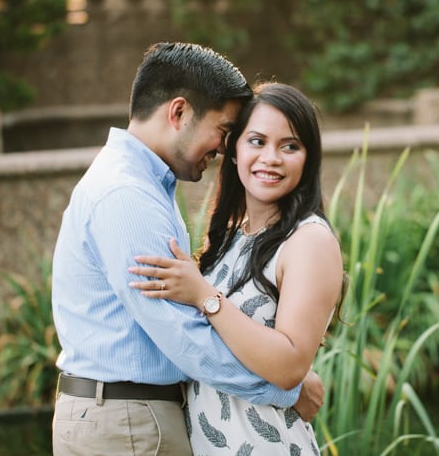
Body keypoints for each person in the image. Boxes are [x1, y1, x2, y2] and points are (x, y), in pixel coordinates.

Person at [51, 43, 324, 456]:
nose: (223, 148)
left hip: (129, 417)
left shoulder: (145, 187)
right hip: (129, 423)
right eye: (226, 130)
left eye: (289, 145)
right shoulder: (128, 196)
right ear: (178, 113)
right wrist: (287, 388)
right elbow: (183, 335)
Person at [128, 82, 345, 455]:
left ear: (308, 159)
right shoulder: (230, 236)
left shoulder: (309, 241)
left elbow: (289, 365)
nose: (271, 157)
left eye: (290, 146)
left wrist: (204, 297)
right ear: (233, 150)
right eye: (257, 141)